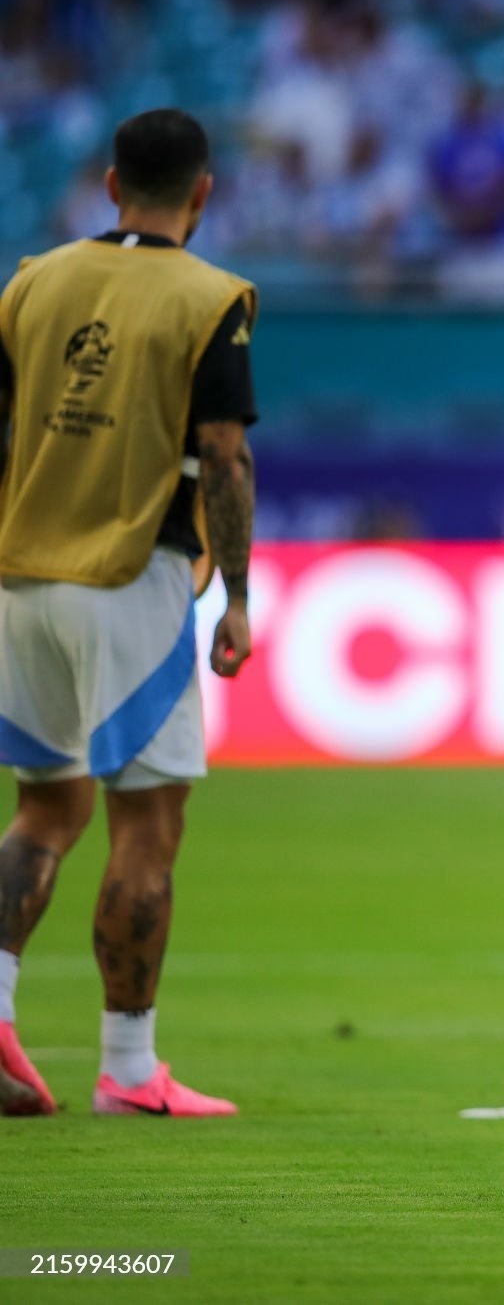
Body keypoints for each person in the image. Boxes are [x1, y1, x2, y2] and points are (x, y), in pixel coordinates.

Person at [0, 108, 257, 1119]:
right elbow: (223, 454)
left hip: (22, 574)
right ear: (204, 192)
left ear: (110, 185)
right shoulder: (210, 298)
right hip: (130, 576)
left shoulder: (32, 282)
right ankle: (129, 1067)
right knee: (147, 823)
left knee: (45, 808)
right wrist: (237, 594)